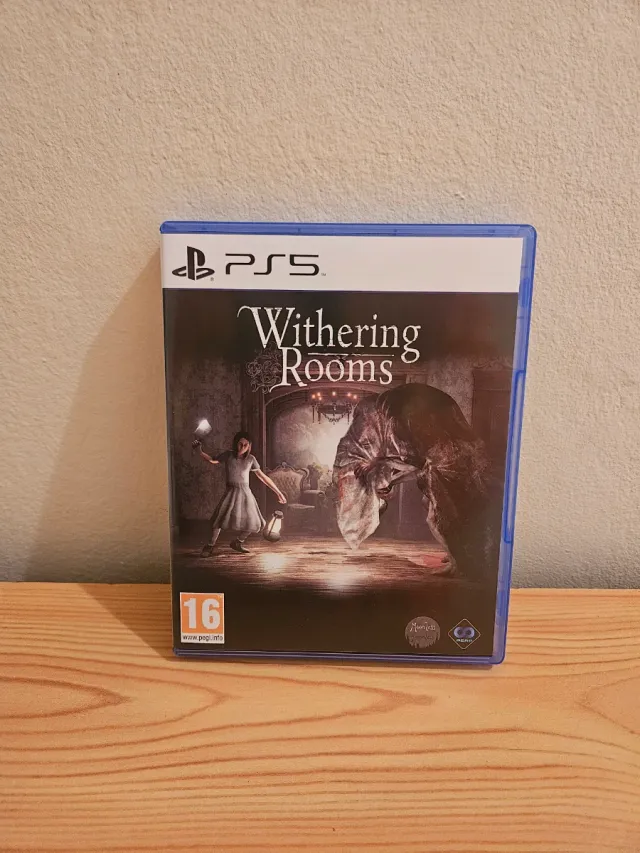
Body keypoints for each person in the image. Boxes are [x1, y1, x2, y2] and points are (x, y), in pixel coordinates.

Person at [194, 431, 286, 556]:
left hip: (246, 493)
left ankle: (238, 542)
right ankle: (210, 546)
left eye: (245, 445)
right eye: (240, 444)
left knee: (255, 522)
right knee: (218, 520)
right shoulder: (228, 455)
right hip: (231, 492)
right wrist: (199, 451)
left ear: (249, 446)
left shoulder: (251, 459)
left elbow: (263, 477)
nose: (242, 447)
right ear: (235, 443)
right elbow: (212, 460)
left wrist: (278, 492)